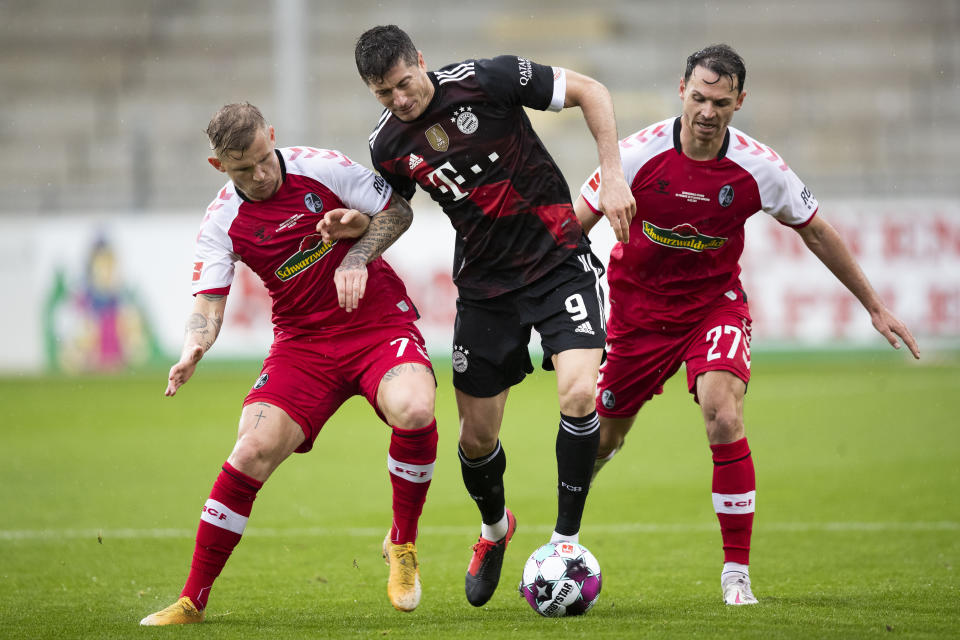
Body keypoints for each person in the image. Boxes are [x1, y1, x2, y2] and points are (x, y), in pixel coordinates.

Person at [575, 44, 920, 606]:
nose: (707, 111)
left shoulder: (761, 166)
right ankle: (566, 532)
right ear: (680, 89)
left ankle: (736, 574)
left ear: (740, 101)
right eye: (699, 97)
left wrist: (875, 306)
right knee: (600, 438)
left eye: (721, 101)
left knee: (724, 414)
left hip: (714, 307)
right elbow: (573, 227)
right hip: (636, 317)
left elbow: (816, 231)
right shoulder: (635, 157)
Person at [349, 25, 636, 607]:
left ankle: (565, 543)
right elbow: (394, 212)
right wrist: (356, 235)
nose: (400, 101)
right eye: (384, 94)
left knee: (580, 394)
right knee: (476, 440)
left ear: (420, 61)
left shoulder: (488, 79)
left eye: (405, 83)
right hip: (485, 289)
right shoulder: (387, 145)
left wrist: (612, 174)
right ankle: (495, 529)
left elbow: (592, 91)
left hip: (560, 262)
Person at [139, 102, 439, 625]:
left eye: (262, 158)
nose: (259, 174)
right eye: (242, 169)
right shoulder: (222, 223)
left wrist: (355, 250)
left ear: (271, 136)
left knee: (413, 409)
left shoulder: (321, 168)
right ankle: (192, 600)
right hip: (303, 345)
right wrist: (194, 347)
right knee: (250, 448)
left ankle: (402, 544)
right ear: (218, 168)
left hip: (377, 327)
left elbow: (399, 212)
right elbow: (208, 304)